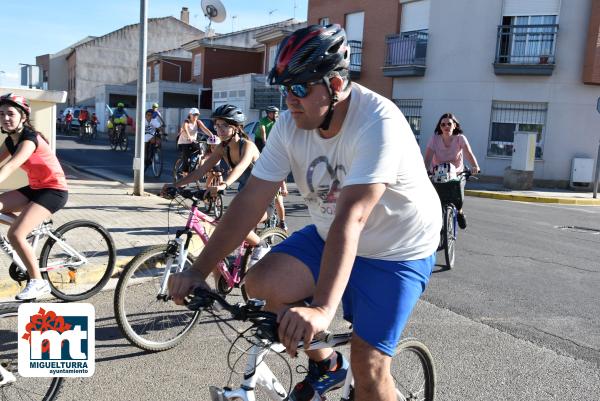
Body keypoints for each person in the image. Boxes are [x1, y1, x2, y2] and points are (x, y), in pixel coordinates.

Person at [168, 24, 441, 401]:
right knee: (262, 283)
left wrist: (322, 310)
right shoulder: (288, 126)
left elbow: (353, 218)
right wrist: (197, 270)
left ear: (337, 86)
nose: (289, 100)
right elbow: (250, 202)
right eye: (285, 89)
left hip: (396, 250)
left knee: (369, 365)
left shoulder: (379, 123)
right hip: (334, 236)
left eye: (300, 88)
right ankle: (327, 365)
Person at [163, 104, 268, 265]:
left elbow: (240, 168)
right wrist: (176, 185)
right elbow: (201, 171)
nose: (219, 130)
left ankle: (262, 245)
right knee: (225, 228)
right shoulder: (222, 148)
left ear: (236, 128)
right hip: (245, 194)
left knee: (237, 226)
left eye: (224, 126)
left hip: (264, 195)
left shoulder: (248, 146)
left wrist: (223, 185)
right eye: (217, 125)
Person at [0, 94, 69, 300]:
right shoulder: (11, 140)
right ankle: (28, 228)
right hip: (35, 188)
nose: (5, 118)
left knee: (15, 235)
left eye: (11, 113)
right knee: (18, 229)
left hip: (54, 191)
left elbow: (10, 166)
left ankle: (38, 282)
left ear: (23, 117)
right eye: (1, 114)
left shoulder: (30, 139)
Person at [424, 112, 480, 229]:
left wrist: (475, 166)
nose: (446, 127)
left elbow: (468, 153)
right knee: (436, 200)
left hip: (457, 174)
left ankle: (459, 212)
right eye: (443, 124)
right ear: (440, 127)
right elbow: (428, 158)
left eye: (449, 124)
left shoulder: (460, 138)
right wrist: (424, 171)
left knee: (457, 197)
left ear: (455, 125)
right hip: (438, 175)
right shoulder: (434, 139)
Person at [177, 107, 213, 175]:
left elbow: (205, 129)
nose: (195, 116)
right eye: (194, 115)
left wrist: (212, 135)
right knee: (186, 158)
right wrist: (189, 136)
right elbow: (185, 129)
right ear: (190, 114)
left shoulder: (198, 122)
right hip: (184, 142)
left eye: (197, 115)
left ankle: (195, 168)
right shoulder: (186, 121)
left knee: (200, 153)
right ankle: (184, 175)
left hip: (193, 141)